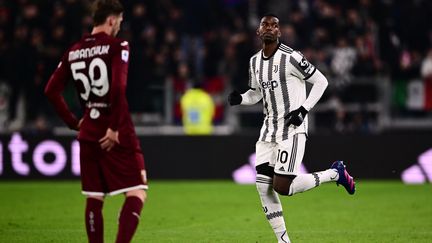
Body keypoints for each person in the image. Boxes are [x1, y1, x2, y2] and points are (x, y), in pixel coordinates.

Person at [228, 14, 355, 243]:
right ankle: (283, 240)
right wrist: (241, 98)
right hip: (268, 131)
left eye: (274, 25)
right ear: (258, 31)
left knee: (282, 187)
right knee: (263, 186)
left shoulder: (291, 57)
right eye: (265, 24)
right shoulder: (254, 62)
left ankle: (335, 173)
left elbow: (321, 81)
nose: (269, 28)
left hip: (292, 130)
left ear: (279, 32)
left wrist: (303, 110)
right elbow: (256, 93)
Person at [44, 1, 147, 242]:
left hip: (88, 130)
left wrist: (73, 122)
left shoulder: (74, 50)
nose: (120, 27)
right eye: (119, 22)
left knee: (94, 197)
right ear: (111, 20)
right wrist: (113, 127)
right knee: (137, 192)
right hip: (116, 130)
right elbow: (119, 88)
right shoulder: (117, 46)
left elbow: (50, 90)